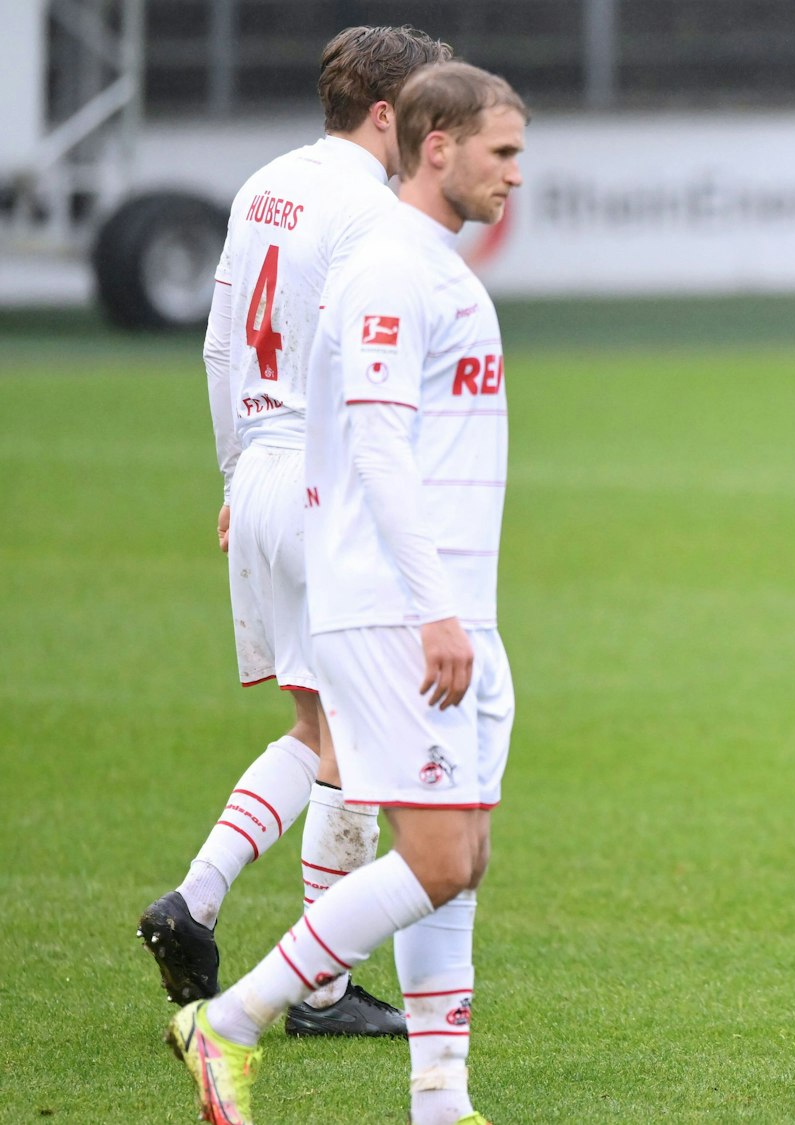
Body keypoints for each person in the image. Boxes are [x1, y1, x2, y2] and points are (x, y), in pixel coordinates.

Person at [165, 60, 527, 1125]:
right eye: (500, 153)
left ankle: (440, 1097)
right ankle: (230, 1022)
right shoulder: (385, 266)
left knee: (462, 857)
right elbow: (373, 441)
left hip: (450, 603)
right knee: (438, 853)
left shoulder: (429, 263)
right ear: (435, 145)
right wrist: (433, 607)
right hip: (394, 607)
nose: (515, 176)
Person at [139, 24, 452, 1039]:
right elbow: (366, 374)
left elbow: (221, 341)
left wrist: (238, 470)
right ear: (382, 114)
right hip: (327, 483)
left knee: (317, 725)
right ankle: (317, 988)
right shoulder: (374, 214)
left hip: (264, 469)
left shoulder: (265, 183)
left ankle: (195, 900)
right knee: (357, 738)